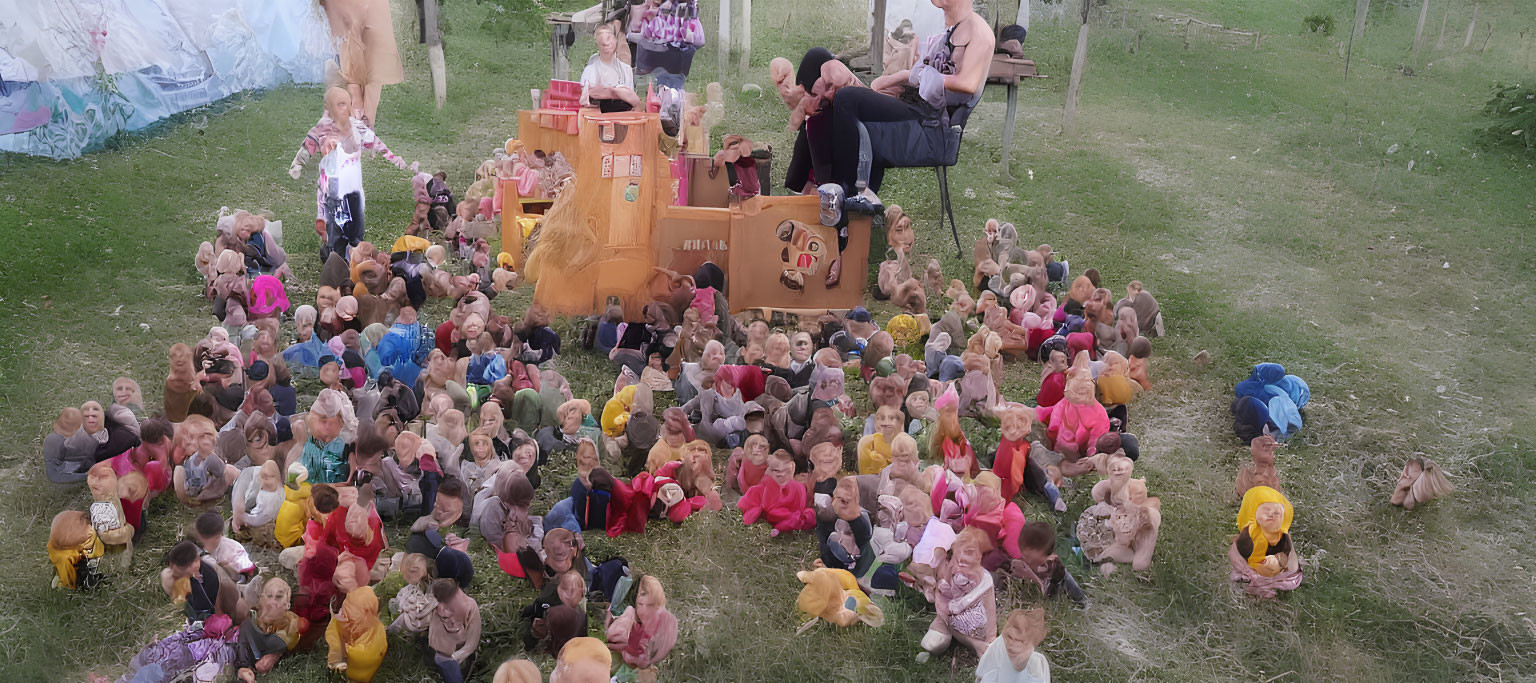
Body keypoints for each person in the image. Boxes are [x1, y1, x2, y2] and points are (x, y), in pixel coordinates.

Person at [826, 0, 994, 203]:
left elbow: (968, 83)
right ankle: (842, 196)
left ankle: (844, 194)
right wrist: (894, 80)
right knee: (835, 88)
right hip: (917, 107)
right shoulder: (953, 28)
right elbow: (922, 72)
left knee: (847, 98)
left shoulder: (979, 32)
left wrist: (923, 78)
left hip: (931, 123)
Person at [427, 578, 482, 683]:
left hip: (456, 654)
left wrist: (460, 654)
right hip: (440, 652)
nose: (443, 610)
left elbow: (473, 638)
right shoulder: (432, 604)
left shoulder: (470, 606)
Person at [580, 26, 639, 112]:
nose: (606, 46)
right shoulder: (590, 69)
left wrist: (615, 92)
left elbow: (633, 101)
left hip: (623, 115)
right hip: (598, 114)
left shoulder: (626, 70)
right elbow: (586, 95)